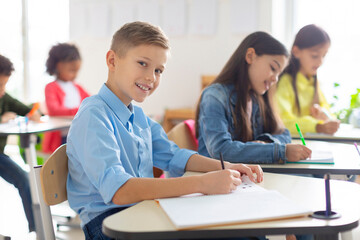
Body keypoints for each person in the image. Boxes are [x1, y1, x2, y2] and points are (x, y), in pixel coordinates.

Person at [66, 21, 264, 240]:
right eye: (142, 63)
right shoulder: (93, 115)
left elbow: (174, 156)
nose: (152, 77)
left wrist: (227, 167)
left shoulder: (138, 117)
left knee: (240, 230)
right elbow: (120, 191)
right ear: (112, 60)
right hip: (109, 226)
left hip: (141, 213)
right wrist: (202, 183)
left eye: (158, 70)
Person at [195, 32, 312, 164]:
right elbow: (221, 151)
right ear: (250, 56)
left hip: (244, 175)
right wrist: (280, 151)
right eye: (273, 68)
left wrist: (265, 143)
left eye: (279, 74)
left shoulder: (257, 97)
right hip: (215, 177)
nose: (275, 79)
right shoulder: (215, 96)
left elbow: (284, 133)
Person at [0, 54, 41, 233]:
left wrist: (33, 113)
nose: (2, 90)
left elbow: (29, 110)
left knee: (24, 179)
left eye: (4, 85)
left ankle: (37, 229)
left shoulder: (4, 98)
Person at [275, 24, 340, 135]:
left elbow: (329, 115)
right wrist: (317, 126)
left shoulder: (314, 82)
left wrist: (323, 116)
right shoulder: (286, 82)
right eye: (315, 55)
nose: (320, 62)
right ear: (296, 52)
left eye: (324, 56)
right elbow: (283, 122)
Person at [43, 43, 90, 153]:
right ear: (59, 66)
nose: (75, 75)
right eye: (72, 70)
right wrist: (80, 110)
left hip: (79, 135)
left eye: (77, 71)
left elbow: (91, 102)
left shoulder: (77, 87)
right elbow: (54, 110)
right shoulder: (51, 87)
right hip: (62, 138)